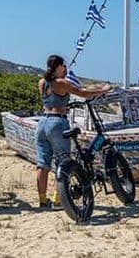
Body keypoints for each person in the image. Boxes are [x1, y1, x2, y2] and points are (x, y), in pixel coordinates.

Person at [35, 54, 111, 208]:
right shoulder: (61, 83)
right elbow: (82, 93)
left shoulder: (42, 82)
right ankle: (59, 200)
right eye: (64, 66)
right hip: (57, 122)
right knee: (63, 162)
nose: (66, 69)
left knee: (42, 164)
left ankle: (43, 200)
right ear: (58, 67)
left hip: (42, 122)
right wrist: (102, 90)